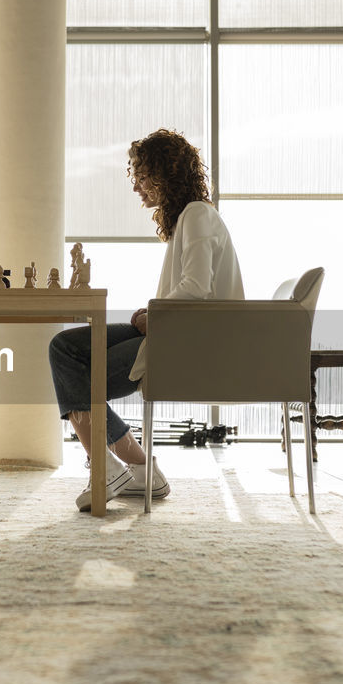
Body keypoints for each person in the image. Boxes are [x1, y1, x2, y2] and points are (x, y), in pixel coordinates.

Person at [49, 128, 244, 511]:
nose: (136, 186)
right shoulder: (191, 217)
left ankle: (109, 468)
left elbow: (197, 288)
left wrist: (153, 313)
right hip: (172, 329)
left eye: (141, 176)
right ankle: (137, 471)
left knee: (77, 379)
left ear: (164, 174)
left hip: (185, 342)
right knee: (65, 348)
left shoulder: (199, 215)